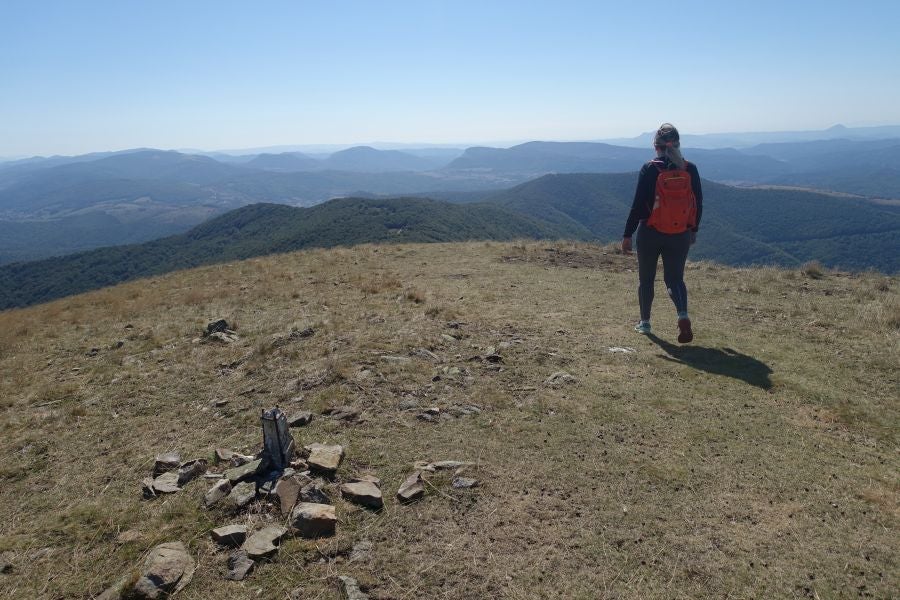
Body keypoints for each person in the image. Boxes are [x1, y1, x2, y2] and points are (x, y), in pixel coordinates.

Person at [621, 123, 703, 343]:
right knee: (675, 278)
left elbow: (638, 205)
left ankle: (645, 323)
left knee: (646, 279)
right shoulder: (690, 169)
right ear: (677, 145)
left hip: (650, 231)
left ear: (656, 146)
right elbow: (698, 203)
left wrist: (628, 234)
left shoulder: (650, 169)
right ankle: (682, 314)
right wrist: (693, 229)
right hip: (680, 233)